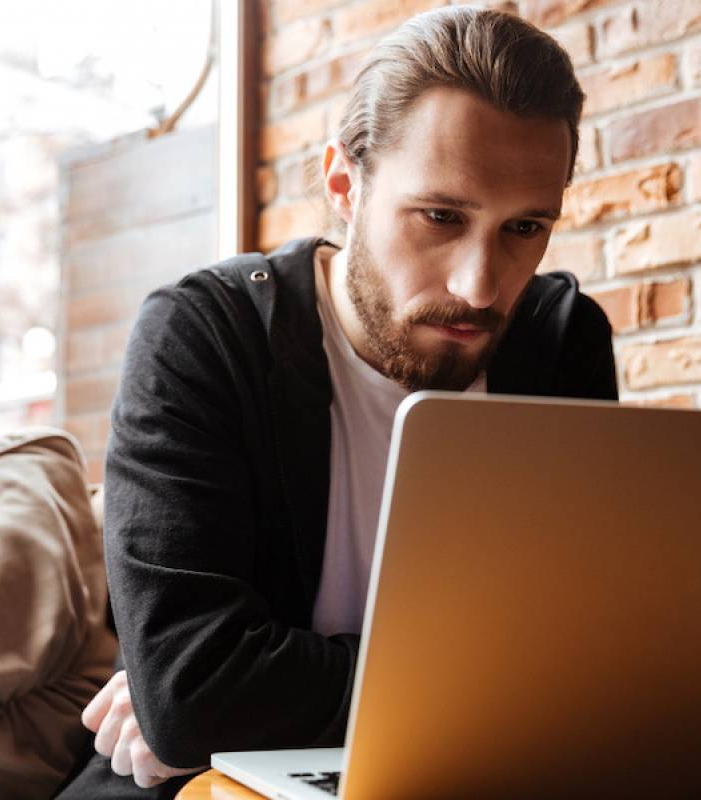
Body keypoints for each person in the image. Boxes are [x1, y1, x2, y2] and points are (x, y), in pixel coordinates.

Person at [55, 6, 616, 798]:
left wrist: (257, 693)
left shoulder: (560, 344)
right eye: (441, 217)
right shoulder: (205, 336)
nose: (480, 286)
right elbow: (190, 692)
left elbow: (595, 663)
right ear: (345, 185)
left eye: (524, 227)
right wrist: (498, 685)